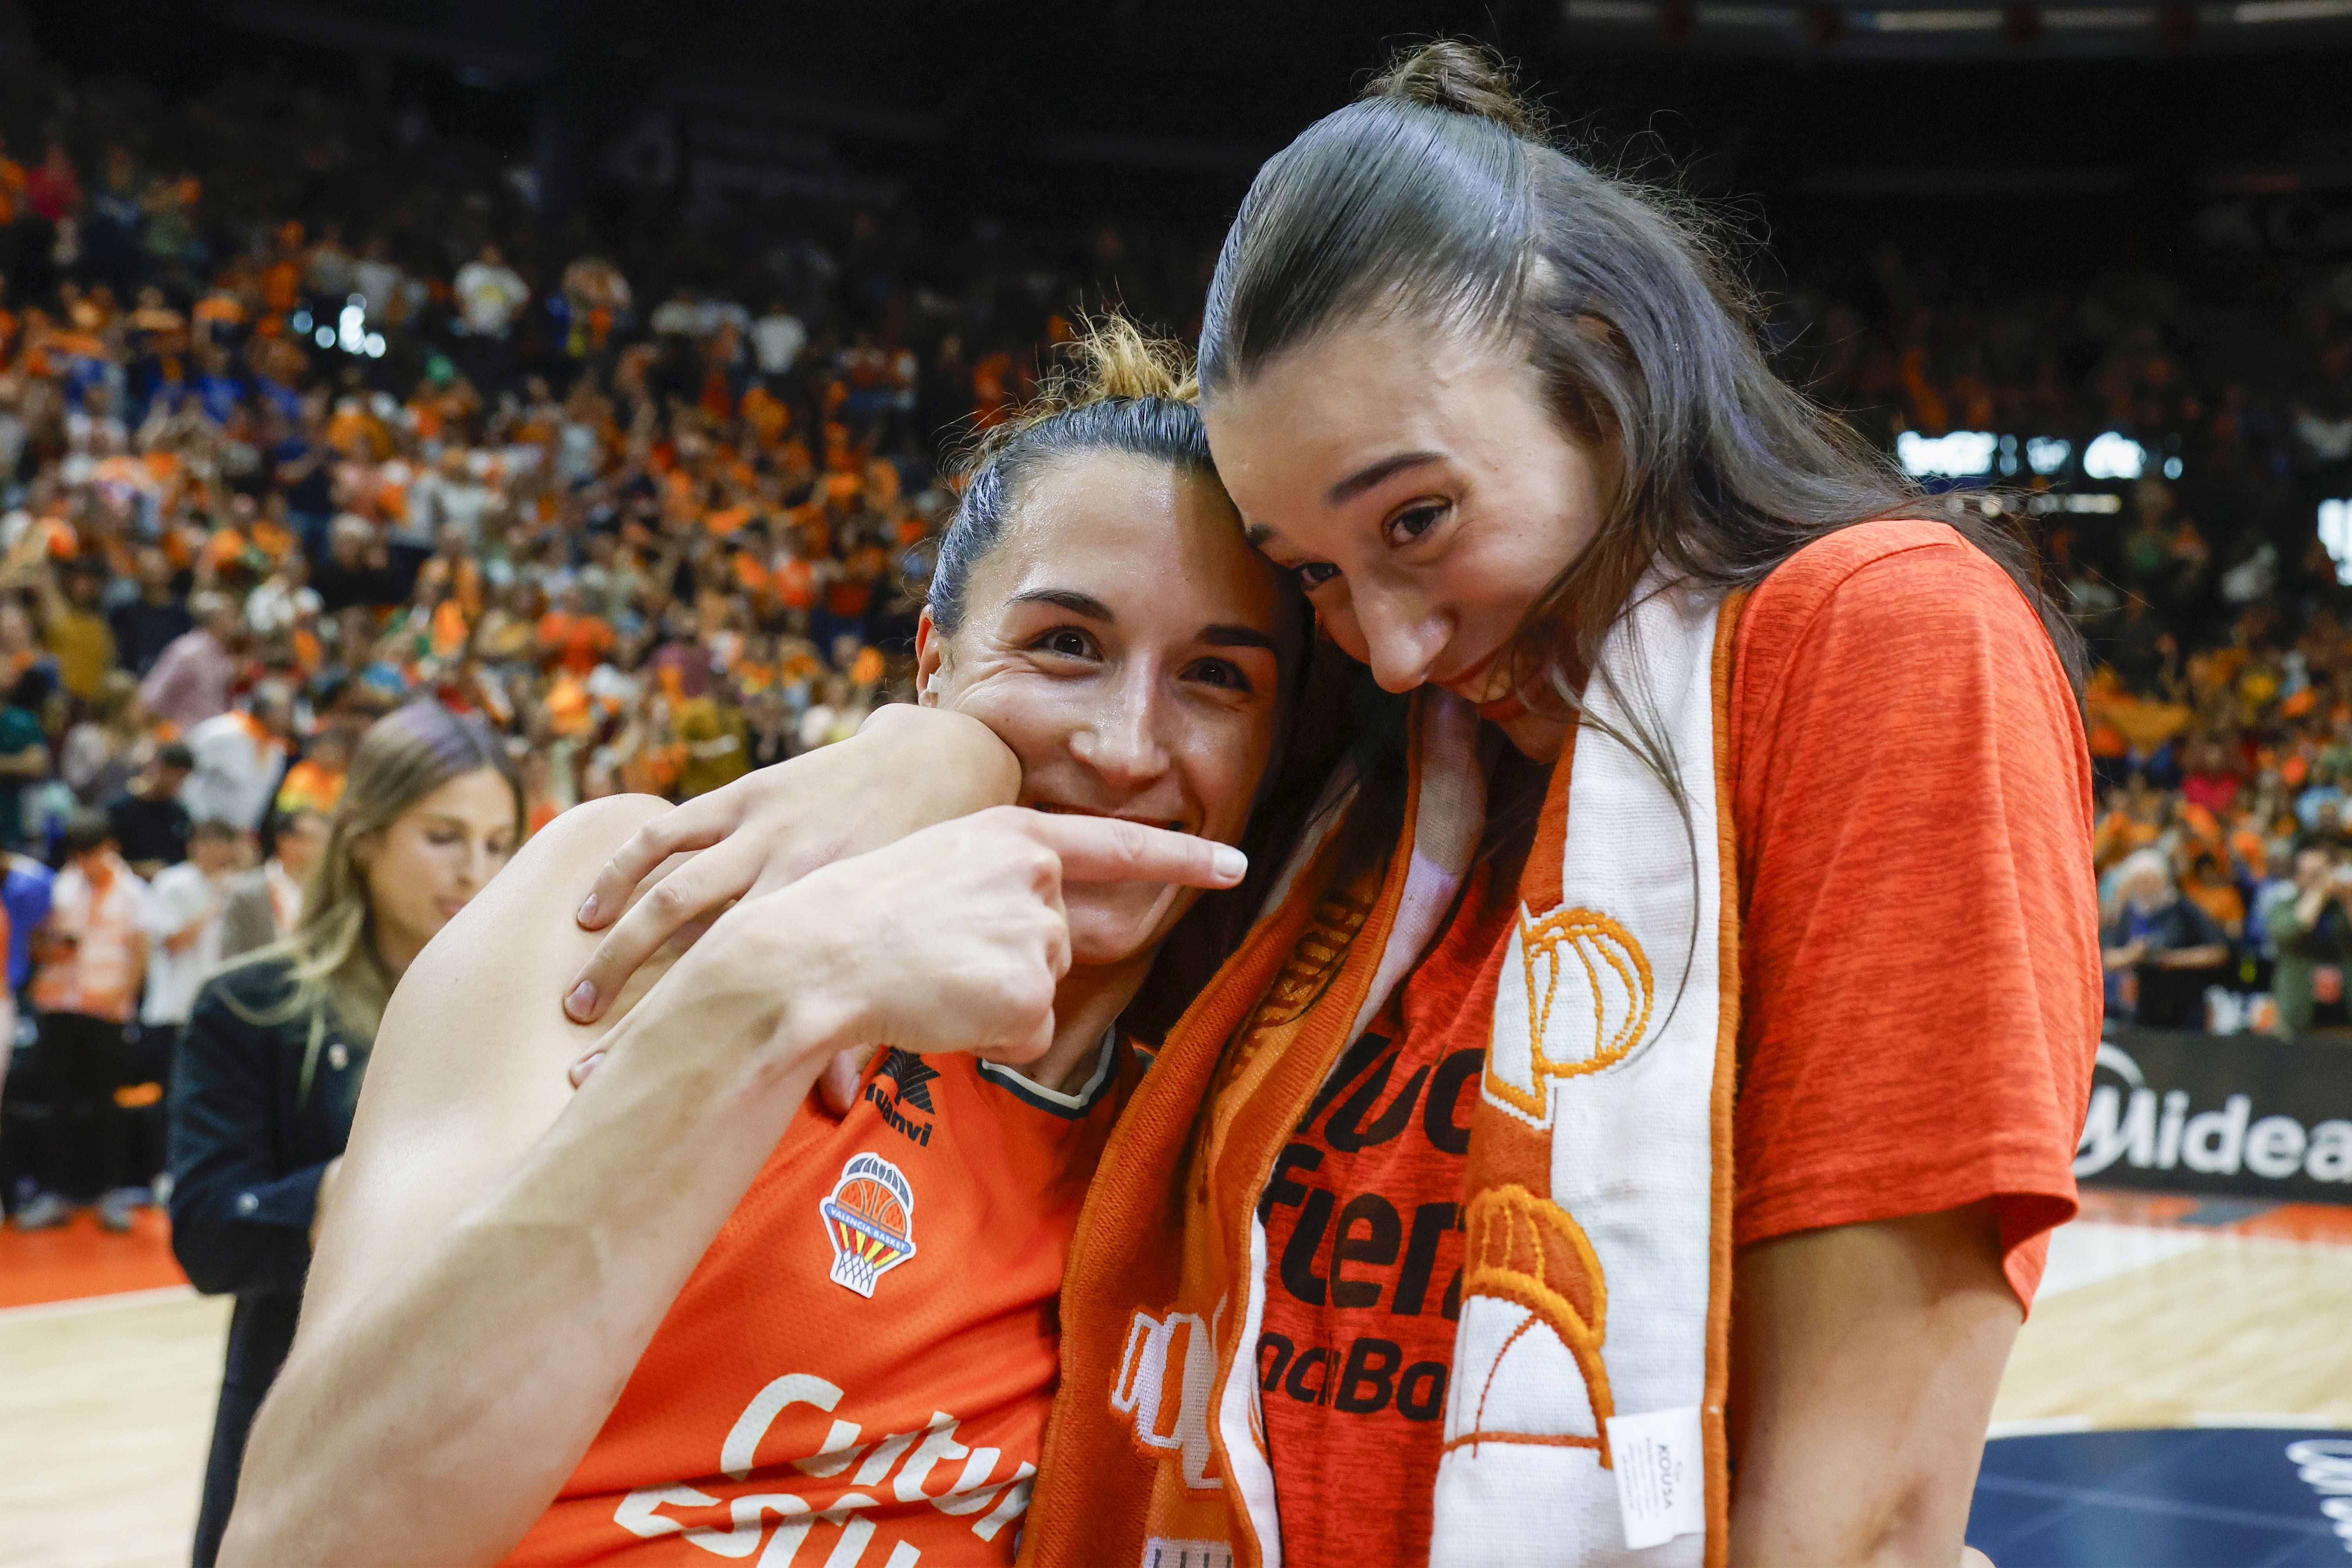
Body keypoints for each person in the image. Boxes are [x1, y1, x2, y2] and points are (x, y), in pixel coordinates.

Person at [557, 44, 2098, 1568]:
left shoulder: (1881, 637)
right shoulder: (1396, 748)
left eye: (1417, 519)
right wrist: (915, 750)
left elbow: (1871, 1504)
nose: (1395, 634)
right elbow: (1100, 737)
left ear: (1607, 361)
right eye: (1314, 575)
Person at [216, 328, 1299, 1568]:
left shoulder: (1220, 1109)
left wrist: (942, 758)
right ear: (931, 665)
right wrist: (773, 988)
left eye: (1216, 675)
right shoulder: (644, 894)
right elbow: (308, 1538)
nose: (1121, 744)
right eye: (1064, 643)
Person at [168, 703, 524, 1568]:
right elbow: (211, 1234)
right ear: (364, 836)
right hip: (309, 1421)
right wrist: (363, 1187)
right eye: (443, 835)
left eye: (499, 840)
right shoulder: (252, 1006)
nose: (474, 868)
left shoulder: (543, 1007)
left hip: (499, 1422)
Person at [14, 810, 147, 1232]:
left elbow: (141, 950)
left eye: (93, 852)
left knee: (106, 1103)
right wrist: (51, 948)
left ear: (111, 847)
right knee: (59, 1102)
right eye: (79, 853)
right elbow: (34, 940)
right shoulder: (59, 886)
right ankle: (56, 1192)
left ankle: (110, 1192)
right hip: (59, 1006)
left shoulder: (132, 892)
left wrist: (123, 996)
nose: (86, 862)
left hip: (105, 1010)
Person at [2101, 848, 2230, 1029]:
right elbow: (2108, 959)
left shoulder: (2183, 909)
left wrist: (2171, 960)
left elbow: (2218, 952)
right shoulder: (2130, 914)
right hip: (2144, 1009)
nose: (2146, 888)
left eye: (2150, 881)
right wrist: (2133, 954)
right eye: (2140, 882)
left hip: (2186, 1007)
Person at [2257, 843, 2352, 1034]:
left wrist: (2347, 898)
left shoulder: (2340, 907)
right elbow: (2297, 927)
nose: (2322, 879)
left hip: (2344, 1013)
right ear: (2297, 878)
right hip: (2299, 1013)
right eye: (2314, 874)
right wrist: (2320, 891)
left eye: (2324, 872)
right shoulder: (2283, 907)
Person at [218, 806, 327, 961]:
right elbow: (231, 955)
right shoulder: (247, 893)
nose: (320, 848)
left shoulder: (326, 891)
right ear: (285, 841)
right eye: (313, 839)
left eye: (323, 840)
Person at [107, 740, 194, 878]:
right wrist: (139, 869)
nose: (179, 783)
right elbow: (107, 858)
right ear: (159, 768)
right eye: (175, 774)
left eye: (184, 777)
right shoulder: (119, 809)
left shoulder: (180, 814)